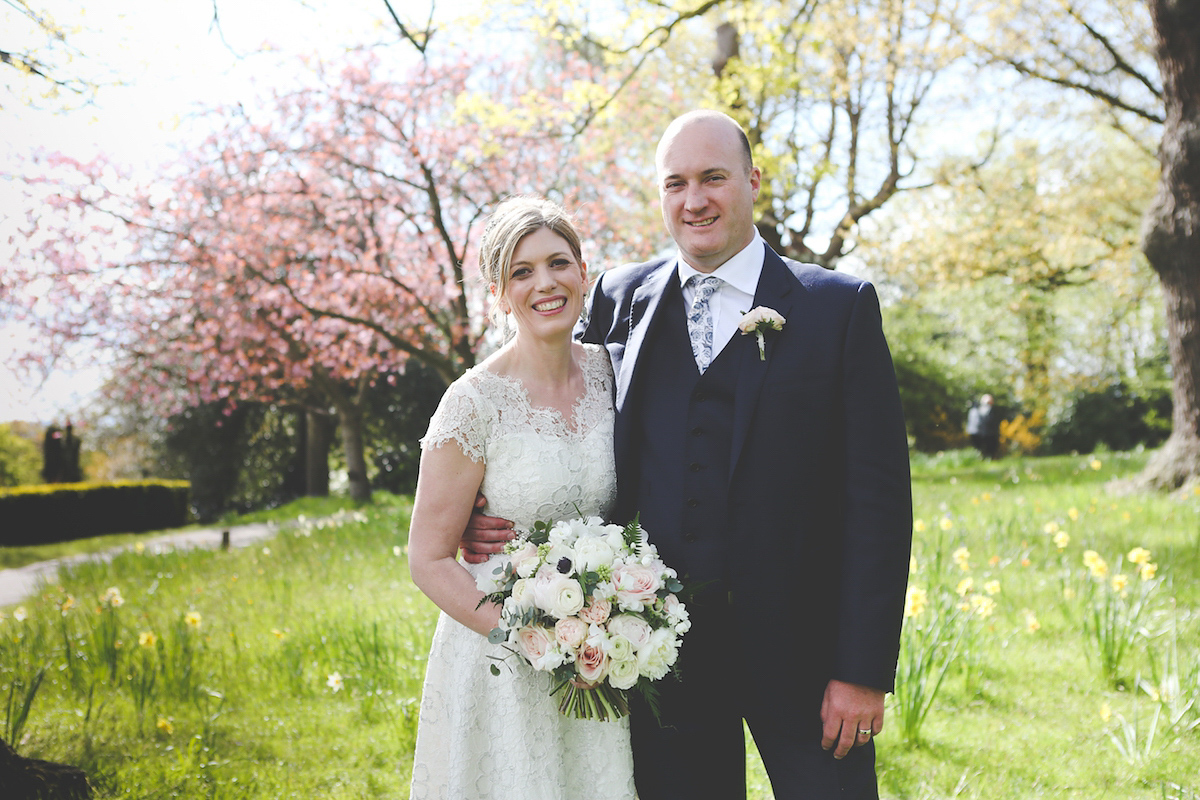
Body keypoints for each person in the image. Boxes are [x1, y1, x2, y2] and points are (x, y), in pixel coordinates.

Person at [464, 110, 913, 799]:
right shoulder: (617, 298)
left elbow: (879, 504)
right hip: (656, 653)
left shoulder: (837, 307)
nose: (694, 200)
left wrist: (863, 669)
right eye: (676, 183)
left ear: (752, 181)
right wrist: (481, 504)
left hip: (807, 654)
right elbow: (542, 400)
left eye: (713, 178)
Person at [406, 196, 636, 800]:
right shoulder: (473, 402)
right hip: (502, 661)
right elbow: (427, 560)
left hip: (599, 653)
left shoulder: (614, 375)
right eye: (522, 271)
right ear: (499, 293)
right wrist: (529, 637)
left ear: (584, 273)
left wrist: (600, 631)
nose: (546, 283)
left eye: (559, 263)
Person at [966, 393, 1001, 459]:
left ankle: (982, 458)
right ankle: (987, 458)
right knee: (987, 449)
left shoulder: (974, 409)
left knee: (978, 449)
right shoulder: (987, 409)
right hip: (985, 433)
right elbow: (988, 422)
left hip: (973, 432)